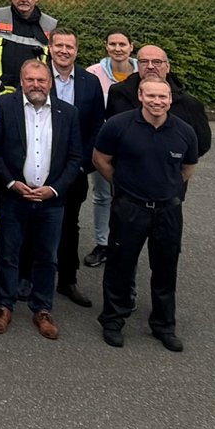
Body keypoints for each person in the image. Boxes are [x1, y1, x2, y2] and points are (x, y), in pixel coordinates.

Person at [93, 77, 199, 352]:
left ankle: (164, 325)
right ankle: (113, 321)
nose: (157, 102)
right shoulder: (118, 126)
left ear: (170, 100)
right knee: (120, 266)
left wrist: (168, 189)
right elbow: (100, 159)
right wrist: (124, 185)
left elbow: (187, 168)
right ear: (140, 95)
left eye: (162, 97)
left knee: (165, 269)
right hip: (130, 208)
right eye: (151, 96)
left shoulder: (184, 131)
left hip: (168, 210)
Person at [0, 59, 83, 340]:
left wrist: (55, 189)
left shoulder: (69, 113)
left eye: (41, 80)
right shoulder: (4, 106)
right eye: (30, 80)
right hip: (13, 196)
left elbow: (76, 157)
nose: (36, 85)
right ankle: (4, 306)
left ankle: (42, 308)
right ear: (21, 82)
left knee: (47, 256)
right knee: (8, 254)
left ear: (50, 83)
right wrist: (11, 182)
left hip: (51, 200)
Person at [45, 29, 107, 309]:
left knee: (69, 223)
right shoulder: (36, 76)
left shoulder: (89, 82)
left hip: (75, 169)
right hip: (39, 165)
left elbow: (95, 126)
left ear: (76, 51)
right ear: (50, 48)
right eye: (59, 45)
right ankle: (27, 276)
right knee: (32, 222)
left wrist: (81, 164)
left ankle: (67, 279)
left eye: (69, 46)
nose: (64, 51)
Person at [80, 30, 137, 267]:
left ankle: (125, 243)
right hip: (105, 147)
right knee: (103, 195)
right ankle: (103, 243)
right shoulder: (93, 73)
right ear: (106, 47)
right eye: (112, 44)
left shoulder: (142, 71)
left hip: (134, 148)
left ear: (131, 47)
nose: (117, 48)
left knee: (130, 197)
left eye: (122, 44)